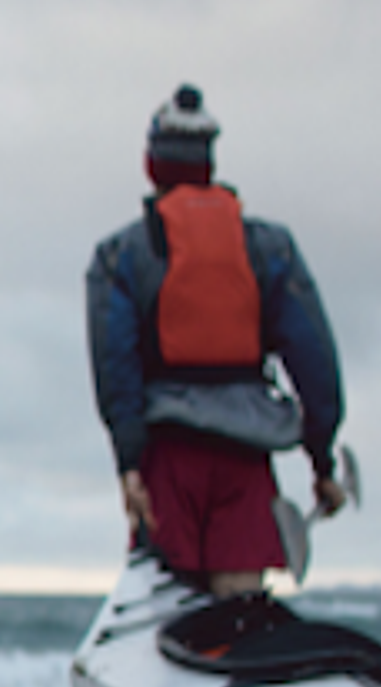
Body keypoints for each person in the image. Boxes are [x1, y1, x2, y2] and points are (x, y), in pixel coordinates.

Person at [86, 84, 348, 600]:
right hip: (245, 458)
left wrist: (129, 462)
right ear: (209, 163)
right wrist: (322, 460)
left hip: (169, 457)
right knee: (241, 610)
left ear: (150, 165)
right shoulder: (267, 248)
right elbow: (313, 356)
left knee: (168, 613)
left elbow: (116, 363)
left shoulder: (122, 255)